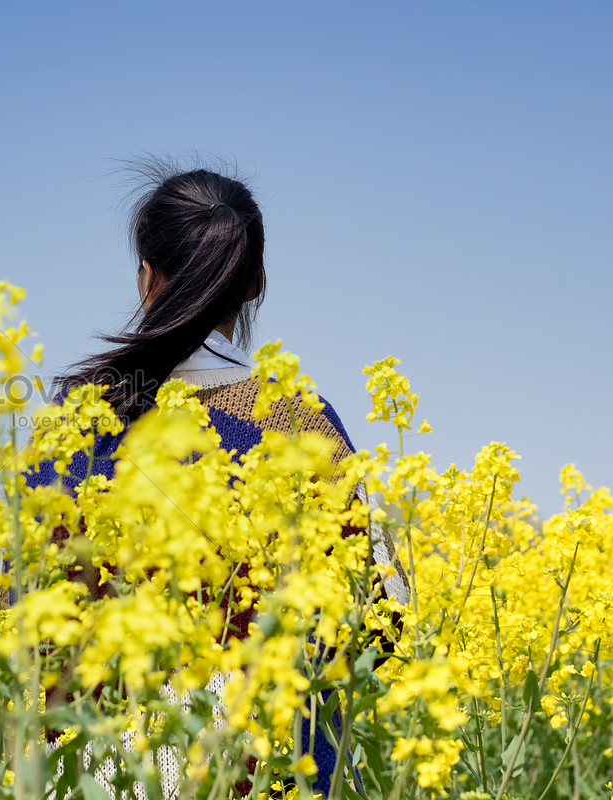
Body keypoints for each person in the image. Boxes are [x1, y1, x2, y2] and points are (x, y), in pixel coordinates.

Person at [24, 160, 410, 798]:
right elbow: (378, 621)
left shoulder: (75, 420)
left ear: (146, 275)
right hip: (273, 771)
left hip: (113, 773)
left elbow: (31, 629)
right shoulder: (299, 419)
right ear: (256, 283)